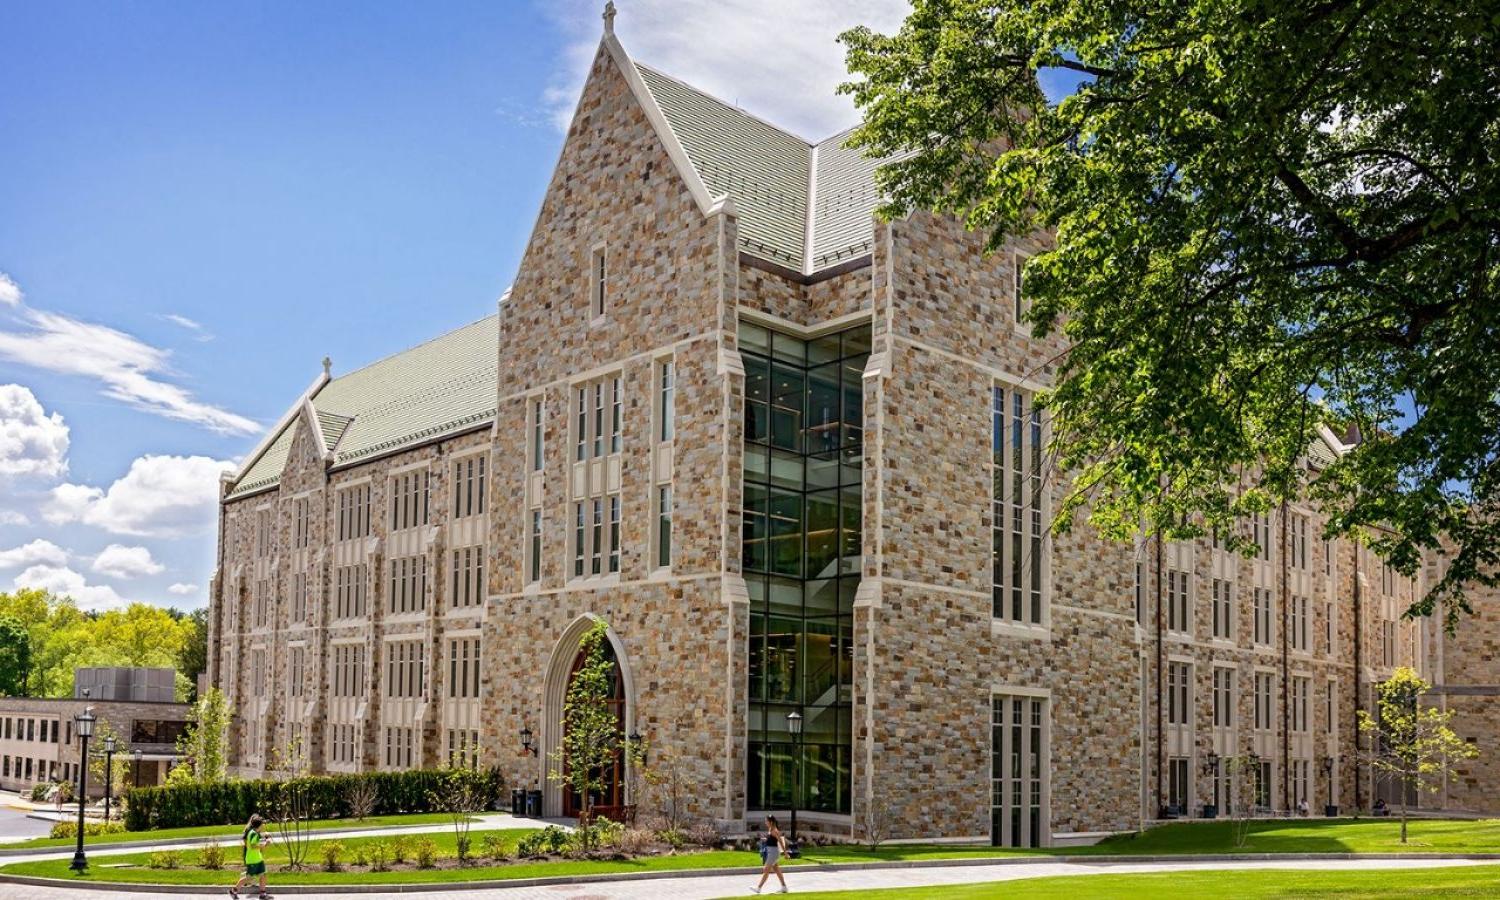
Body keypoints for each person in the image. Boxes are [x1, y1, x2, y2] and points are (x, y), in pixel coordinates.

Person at [229, 813, 272, 899]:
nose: (263, 826)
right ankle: (234, 891)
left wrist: (266, 838)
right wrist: (265, 844)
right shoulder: (253, 834)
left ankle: (262, 894)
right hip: (253, 860)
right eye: (262, 825)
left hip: (258, 859)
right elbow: (253, 845)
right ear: (259, 825)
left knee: (263, 875)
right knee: (249, 878)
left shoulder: (254, 832)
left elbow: (256, 842)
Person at [752, 814, 788, 894]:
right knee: (777, 870)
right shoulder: (770, 830)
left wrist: (785, 853)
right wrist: (764, 839)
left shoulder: (774, 830)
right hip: (771, 852)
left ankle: (758, 888)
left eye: (766, 821)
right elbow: (772, 840)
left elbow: (780, 842)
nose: (765, 822)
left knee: (766, 870)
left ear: (771, 822)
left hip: (773, 853)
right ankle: (784, 887)